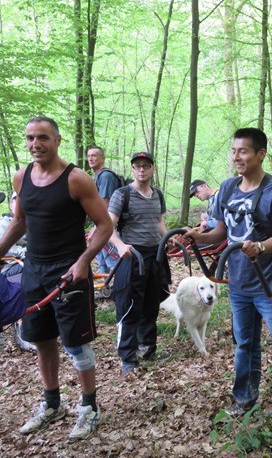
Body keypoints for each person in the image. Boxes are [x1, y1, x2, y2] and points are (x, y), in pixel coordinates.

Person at [0, 116, 113, 440]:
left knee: (76, 343)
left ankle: (89, 408)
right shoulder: (21, 178)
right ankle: (52, 403)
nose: (35, 144)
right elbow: (20, 221)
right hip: (34, 270)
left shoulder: (77, 180)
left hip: (69, 272)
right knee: (41, 340)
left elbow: (104, 225)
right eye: (30, 138)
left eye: (43, 137)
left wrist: (84, 261)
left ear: (57, 140)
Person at [184, 127, 272, 432]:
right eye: (234, 150)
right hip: (239, 283)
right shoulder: (227, 188)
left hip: (271, 284)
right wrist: (196, 238)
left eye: (243, 151)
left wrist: (261, 246)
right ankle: (244, 399)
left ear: (260, 154)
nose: (236, 157)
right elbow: (220, 233)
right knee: (244, 345)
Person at [108, 151, 172, 379]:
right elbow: (108, 226)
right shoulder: (122, 194)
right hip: (131, 255)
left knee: (152, 303)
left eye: (146, 166)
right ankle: (128, 356)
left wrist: (169, 238)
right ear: (132, 170)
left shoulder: (158, 195)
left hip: (155, 255)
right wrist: (120, 245)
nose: (142, 170)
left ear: (153, 169)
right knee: (129, 305)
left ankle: (148, 348)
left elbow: (159, 222)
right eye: (137, 166)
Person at [86, 146, 121, 274]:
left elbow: (106, 205)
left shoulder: (106, 176)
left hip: (108, 225)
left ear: (102, 158)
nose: (91, 158)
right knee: (100, 255)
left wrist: (97, 228)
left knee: (113, 259)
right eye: (89, 156)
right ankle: (106, 288)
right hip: (101, 223)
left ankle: (119, 285)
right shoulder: (97, 176)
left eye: (94, 155)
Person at [0, 192, 26, 277]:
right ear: (11, 205)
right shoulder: (3, 224)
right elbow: (4, 250)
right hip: (10, 266)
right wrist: (28, 251)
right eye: (17, 200)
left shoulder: (28, 222)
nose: (21, 204)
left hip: (26, 259)